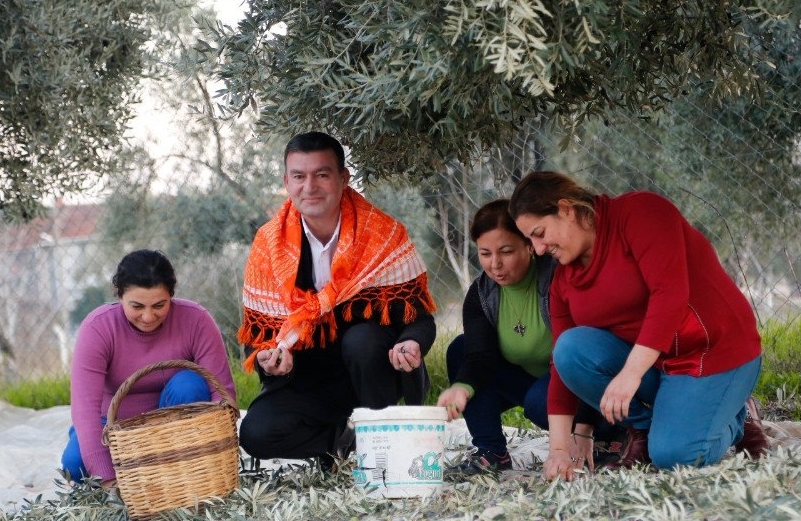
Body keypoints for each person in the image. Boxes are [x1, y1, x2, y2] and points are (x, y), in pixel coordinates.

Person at [509, 171, 769, 481]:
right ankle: (644, 430)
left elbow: (669, 294)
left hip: (715, 353)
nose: (537, 249)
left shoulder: (641, 213)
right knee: (569, 350)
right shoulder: (562, 280)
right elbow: (563, 367)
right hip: (658, 365)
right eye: (530, 240)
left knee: (675, 457)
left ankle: (736, 418)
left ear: (566, 209)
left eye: (539, 233)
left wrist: (630, 374)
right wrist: (558, 452)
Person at [236, 131, 437, 468]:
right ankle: (343, 441)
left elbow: (419, 318)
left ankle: (384, 443)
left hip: (375, 371)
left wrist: (412, 343)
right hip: (311, 377)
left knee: (361, 339)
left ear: (343, 178)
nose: (309, 186)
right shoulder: (267, 245)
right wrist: (270, 361)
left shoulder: (384, 234)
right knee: (256, 434)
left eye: (322, 174)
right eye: (299, 176)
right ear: (287, 181)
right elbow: (261, 337)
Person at [63, 249, 237, 484]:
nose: (148, 317)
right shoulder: (98, 328)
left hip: (172, 424)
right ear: (119, 295)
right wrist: (107, 478)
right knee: (75, 466)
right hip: (113, 426)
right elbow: (85, 410)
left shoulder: (196, 320)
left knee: (191, 383)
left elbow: (222, 395)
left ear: (171, 295)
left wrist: (218, 450)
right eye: (137, 306)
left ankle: (178, 470)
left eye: (159, 305)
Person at [436, 199, 555, 473]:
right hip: (524, 381)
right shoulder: (481, 293)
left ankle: (608, 435)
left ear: (529, 244)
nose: (495, 264)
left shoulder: (554, 278)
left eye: (506, 251)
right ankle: (491, 451)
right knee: (460, 348)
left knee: (541, 401)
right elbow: (480, 356)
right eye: (485, 253)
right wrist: (461, 388)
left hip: (565, 383)